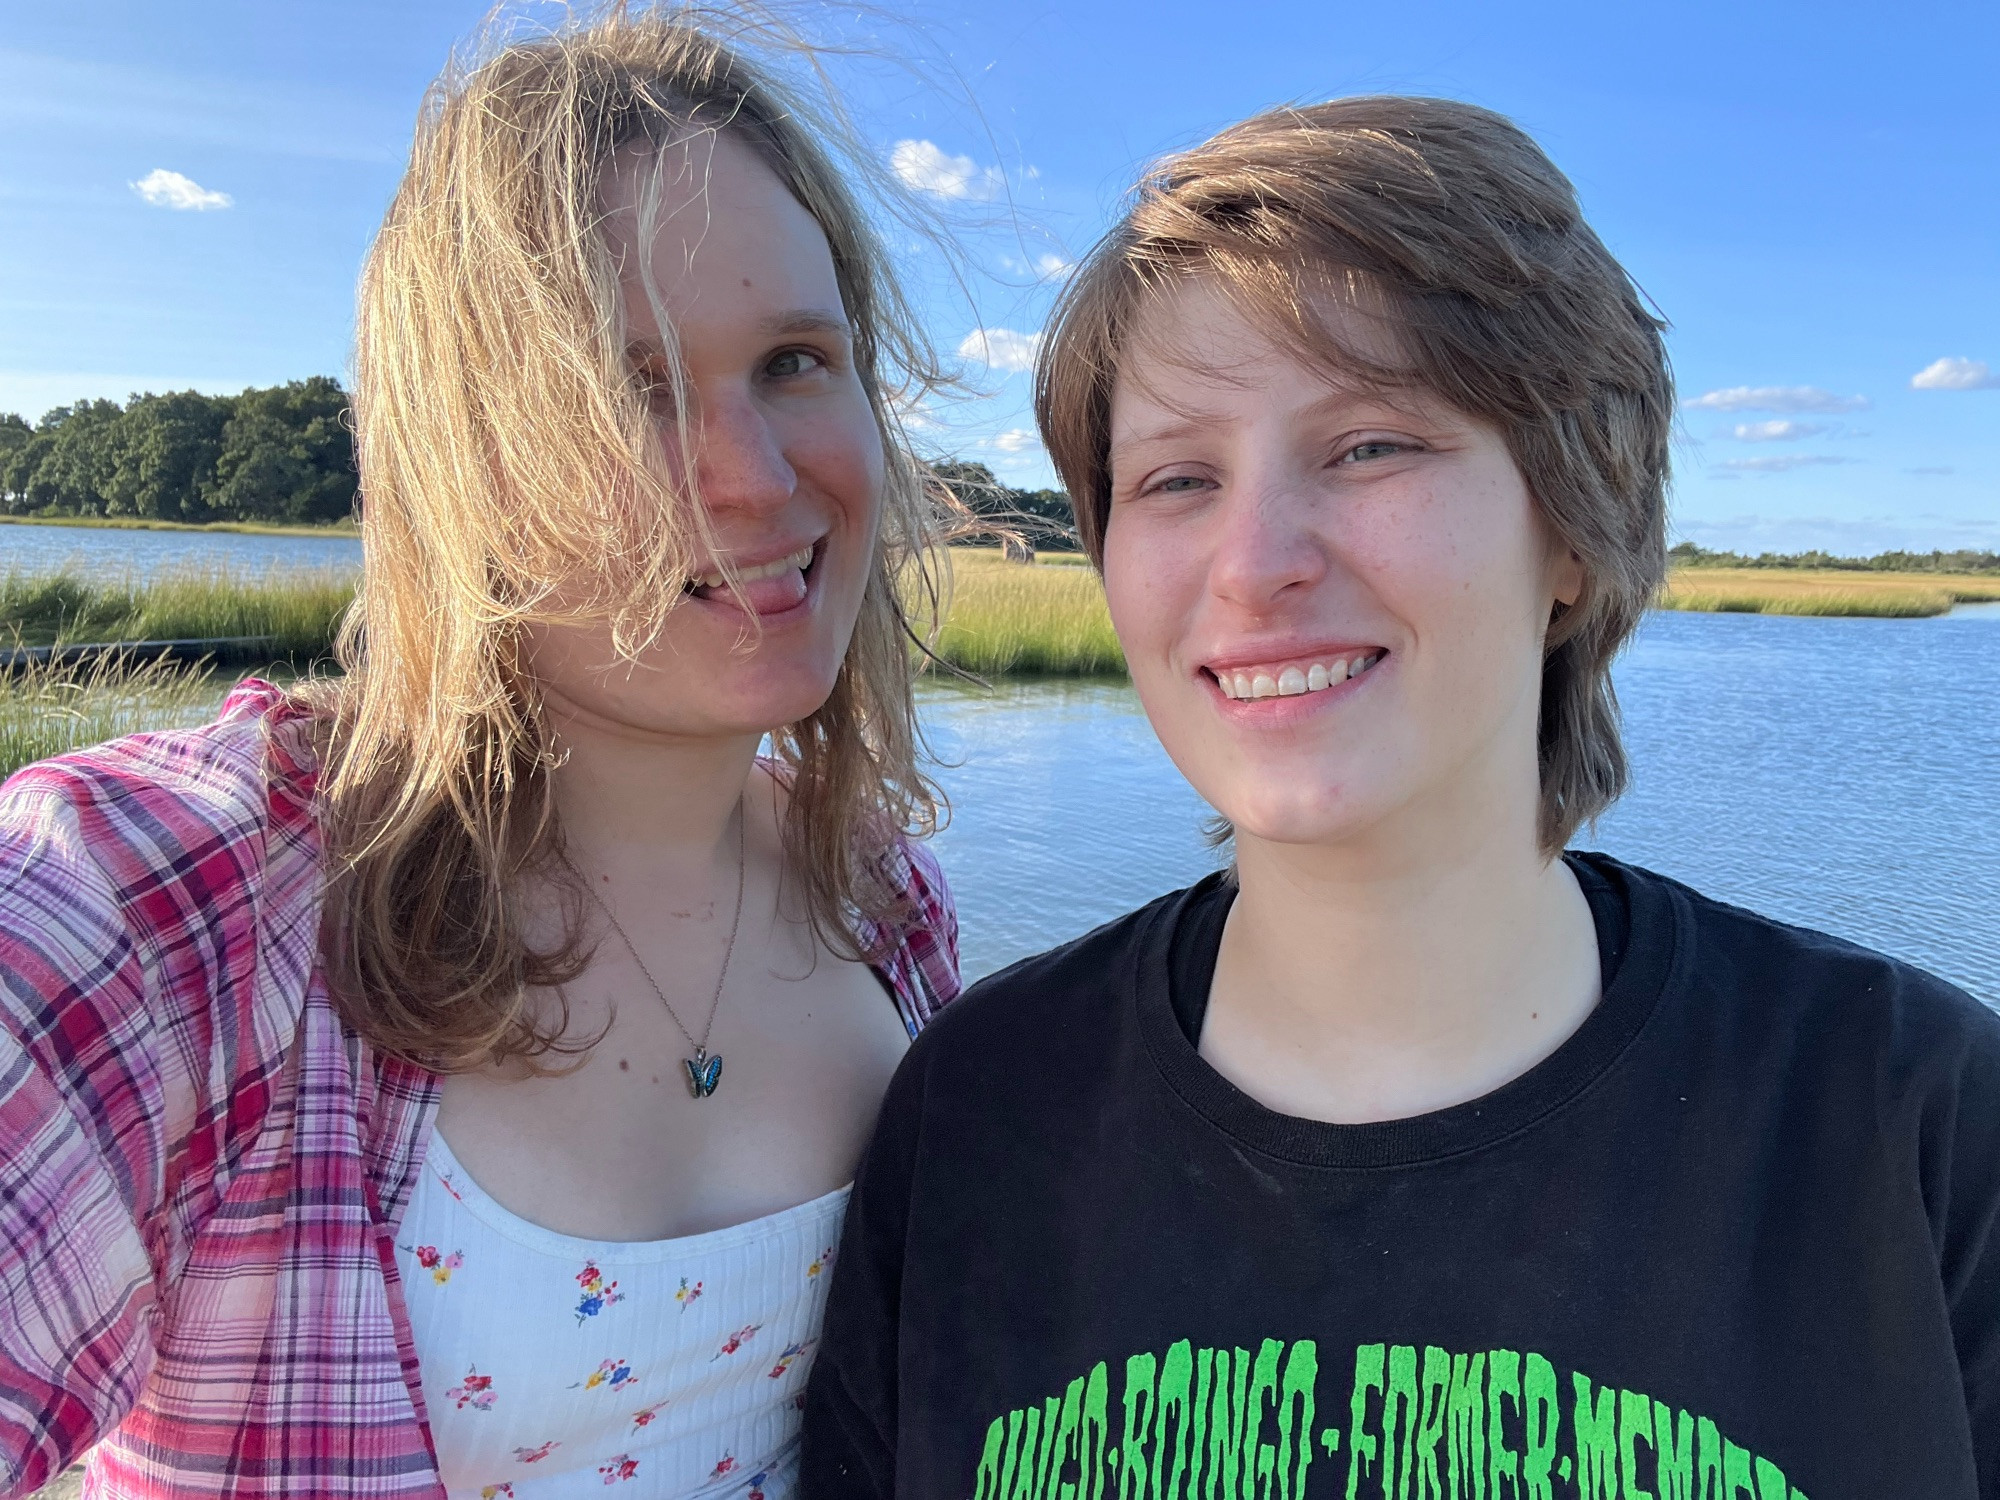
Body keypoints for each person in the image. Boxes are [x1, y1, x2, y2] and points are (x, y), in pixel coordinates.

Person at [801, 97, 2000, 1499]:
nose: (1254, 563)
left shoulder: (1910, 1124)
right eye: (1178, 477)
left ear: (1576, 525)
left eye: (1369, 445)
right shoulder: (976, 1115)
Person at [0, 11, 962, 1500]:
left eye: (792, 360)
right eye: (629, 387)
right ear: (463, 466)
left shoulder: (888, 907)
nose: (758, 481)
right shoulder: (159, 911)